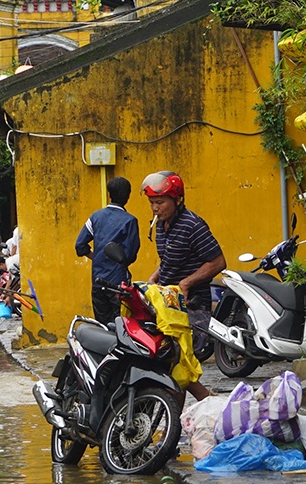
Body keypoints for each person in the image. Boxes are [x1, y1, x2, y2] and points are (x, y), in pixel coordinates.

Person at [143, 171, 224, 401]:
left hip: (193, 306)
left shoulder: (192, 225)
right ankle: (205, 404)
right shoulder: (161, 225)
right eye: (151, 203)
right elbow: (169, 259)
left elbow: (218, 262)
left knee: (178, 366)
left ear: (177, 200)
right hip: (168, 305)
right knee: (173, 366)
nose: (155, 208)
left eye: (160, 202)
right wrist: (154, 278)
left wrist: (186, 283)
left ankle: (193, 410)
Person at [75, 176, 140, 323]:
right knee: (121, 325)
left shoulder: (96, 217)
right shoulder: (130, 221)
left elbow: (80, 245)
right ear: (128, 196)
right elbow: (130, 256)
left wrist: (97, 257)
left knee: (102, 326)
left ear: (109, 194)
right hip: (118, 284)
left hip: (98, 281)